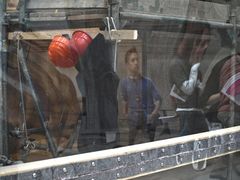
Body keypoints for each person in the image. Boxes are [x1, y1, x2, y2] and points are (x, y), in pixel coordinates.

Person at [169, 21, 211, 136]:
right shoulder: (177, 64)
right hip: (186, 113)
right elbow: (187, 89)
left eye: (206, 43)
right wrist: (195, 67)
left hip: (196, 112)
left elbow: (201, 95)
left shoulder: (195, 69)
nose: (203, 48)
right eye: (199, 43)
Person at [120, 47, 161, 145]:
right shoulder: (124, 83)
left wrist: (152, 114)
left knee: (148, 145)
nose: (136, 63)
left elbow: (158, 100)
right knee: (131, 144)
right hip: (133, 120)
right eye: (132, 60)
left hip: (147, 120)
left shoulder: (147, 82)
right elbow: (124, 100)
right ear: (127, 64)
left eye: (137, 60)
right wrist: (126, 115)